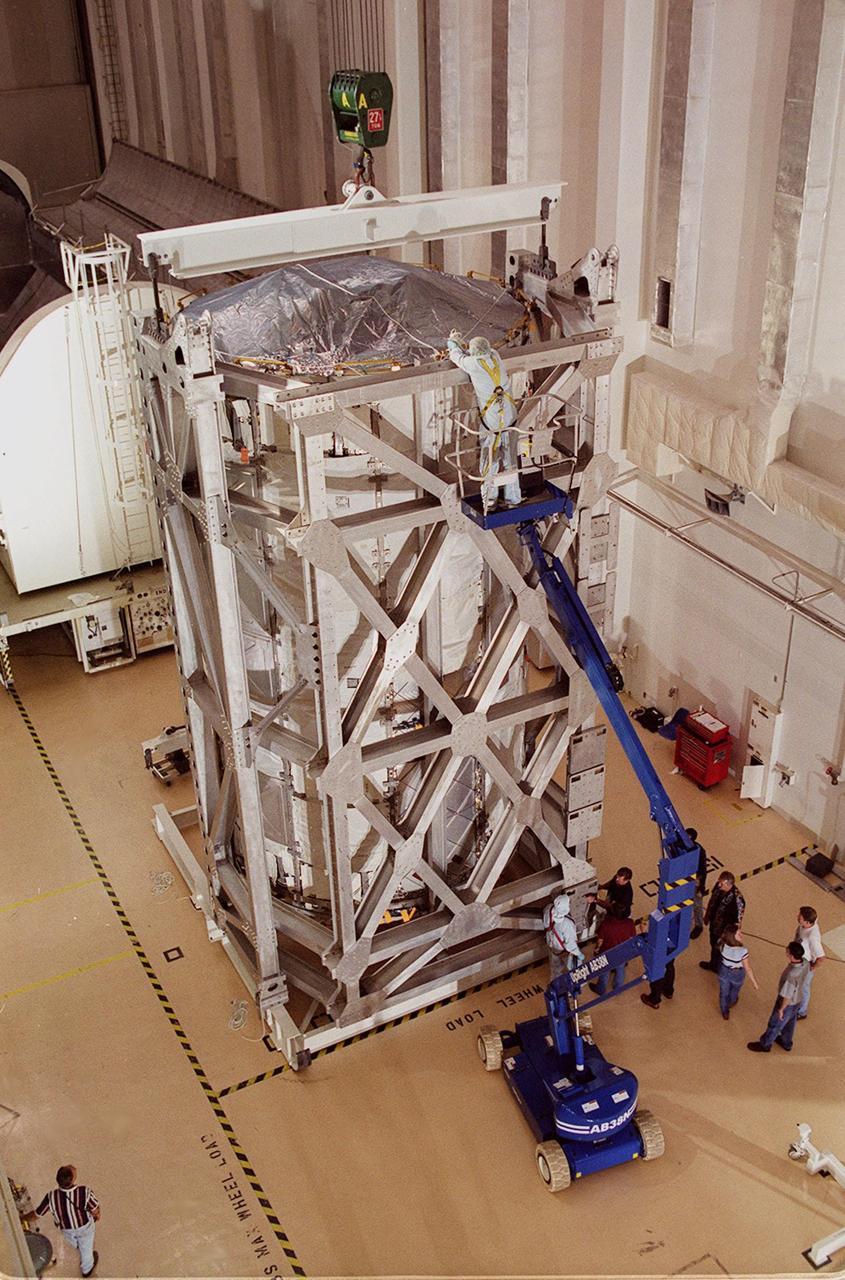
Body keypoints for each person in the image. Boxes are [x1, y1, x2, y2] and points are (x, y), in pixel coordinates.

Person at [447, 331, 520, 512]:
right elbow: (483, 350)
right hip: (509, 417)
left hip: (492, 423)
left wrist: (453, 341)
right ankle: (513, 498)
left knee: (490, 462)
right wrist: (467, 345)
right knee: (510, 459)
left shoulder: (472, 364)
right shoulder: (496, 357)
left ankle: (490, 501)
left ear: (473, 352)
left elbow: (456, 356)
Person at [36, 1165, 99, 1276]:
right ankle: (87, 1269)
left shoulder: (51, 1197)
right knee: (86, 1247)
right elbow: (94, 1209)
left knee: (74, 1242)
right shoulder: (84, 1192)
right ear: (72, 1180)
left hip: (66, 1229)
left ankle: (78, 1246)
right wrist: (97, 1214)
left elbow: (38, 1214)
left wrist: (23, 1218)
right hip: (85, 1228)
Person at [747, 941, 809, 1053]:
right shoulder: (805, 963)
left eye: (788, 950)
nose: (786, 950)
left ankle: (765, 1044)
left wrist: (782, 1009)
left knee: (775, 1023)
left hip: (787, 1002)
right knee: (790, 1022)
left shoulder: (792, 974)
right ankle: (786, 1042)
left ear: (791, 955)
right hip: (798, 998)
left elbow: (788, 995)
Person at [700, 871, 745, 972]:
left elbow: (738, 921)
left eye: (721, 884)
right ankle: (713, 963)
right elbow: (712, 900)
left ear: (729, 884)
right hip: (714, 924)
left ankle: (719, 967)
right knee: (713, 944)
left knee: (720, 949)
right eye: (719, 882)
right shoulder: (718, 886)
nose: (719, 885)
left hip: (724, 931)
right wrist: (707, 916)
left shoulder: (738, 899)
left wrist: (729, 936)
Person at [588, 901, 637, 994]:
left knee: (604, 971)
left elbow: (600, 940)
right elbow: (632, 937)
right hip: (623, 952)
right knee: (620, 969)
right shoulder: (630, 923)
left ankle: (601, 989)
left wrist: (597, 949)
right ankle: (618, 988)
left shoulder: (606, 924)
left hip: (607, 952)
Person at [717, 926, 758, 1019]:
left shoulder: (721, 943)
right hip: (737, 973)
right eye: (739, 933)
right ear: (732, 936)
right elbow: (748, 968)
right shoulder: (742, 951)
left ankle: (724, 1011)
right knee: (735, 989)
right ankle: (732, 1001)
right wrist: (754, 982)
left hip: (724, 970)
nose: (741, 935)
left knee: (723, 992)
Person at [543, 892, 584, 981]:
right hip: (564, 950)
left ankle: (555, 984)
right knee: (574, 970)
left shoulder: (548, 909)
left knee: (555, 969)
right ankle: (574, 987)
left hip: (552, 946)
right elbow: (570, 944)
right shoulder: (566, 923)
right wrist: (578, 953)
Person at [794, 906, 825, 1018]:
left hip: (806, 963)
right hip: (799, 959)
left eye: (800, 917)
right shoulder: (810, 922)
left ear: (807, 922)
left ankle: (802, 1011)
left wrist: (812, 967)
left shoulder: (813, 938)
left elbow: (821, 958)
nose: (797, 917)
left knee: (804, 987)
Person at [687, 828, 708, 940]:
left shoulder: (700, 852)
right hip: (684, 878)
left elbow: (703, 871)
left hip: (695, 880)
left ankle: (699, 926)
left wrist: (701, 887)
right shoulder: (681, 846)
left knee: (697, 905)